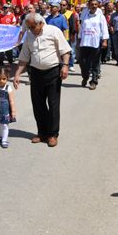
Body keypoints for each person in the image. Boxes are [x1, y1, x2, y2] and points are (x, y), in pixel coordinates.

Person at [13, 13, 71, 147]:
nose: (31, 30)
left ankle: (53, 134)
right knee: (38, 104)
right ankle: (42, 132)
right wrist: (17, 74)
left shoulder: (53, 31)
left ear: (40, 23)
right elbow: (24, 57)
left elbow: (65, 50)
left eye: (32, 27)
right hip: (36, 73)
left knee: (53, 104)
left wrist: (65, 66)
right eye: (28, 27)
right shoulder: (29, 36)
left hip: (53, 72)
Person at [79, 0, 109, 90]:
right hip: (84, 42)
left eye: (96, 4)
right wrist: (79, 37)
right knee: (83, 63)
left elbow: (104, 29)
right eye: (92, 4)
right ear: (89, 5)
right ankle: (85, 77)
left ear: (98, 5)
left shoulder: (100, 16)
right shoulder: (85, 15)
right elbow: (82, 27)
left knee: (95, 63)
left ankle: (94, 81)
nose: (94, 6)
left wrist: (105, 40)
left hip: (95, 43)